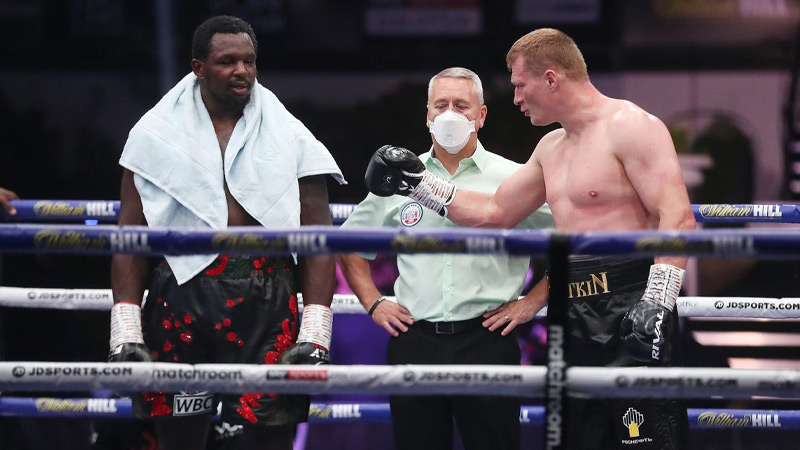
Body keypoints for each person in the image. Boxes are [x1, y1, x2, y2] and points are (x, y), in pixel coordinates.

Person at [364, 30, 696, 450]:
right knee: (580, 438)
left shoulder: (630, 126)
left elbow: (678, 217)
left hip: (629, 300)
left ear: (551, 78)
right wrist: (418, 184)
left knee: (647, 439)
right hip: (571, 310)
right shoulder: (550, 148)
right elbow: (493, 212)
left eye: (521, 85)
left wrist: (657, 302)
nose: (517, 98)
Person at [109, 15, 344, 450]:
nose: (242, 71)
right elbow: (131, 236)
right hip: (180, 295)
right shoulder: (154, 136)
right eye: (227, 61)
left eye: (249, 61)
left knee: (267, 439)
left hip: (266, 299)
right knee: (179, 439)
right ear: (198, 68)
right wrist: (126, 330)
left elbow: (318, 238)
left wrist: (315, 332)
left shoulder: (292, 137)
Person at [338, 67, 554, 450]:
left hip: (487, 339)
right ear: (427, 115)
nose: (450, 113)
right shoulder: (398, 178)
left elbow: (574, 240)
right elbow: (349, 244)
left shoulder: (515, 178)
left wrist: (532, 303)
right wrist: (373, 302)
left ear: (481, 116)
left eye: (461, 105)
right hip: (414, 339)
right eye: (441, 105)